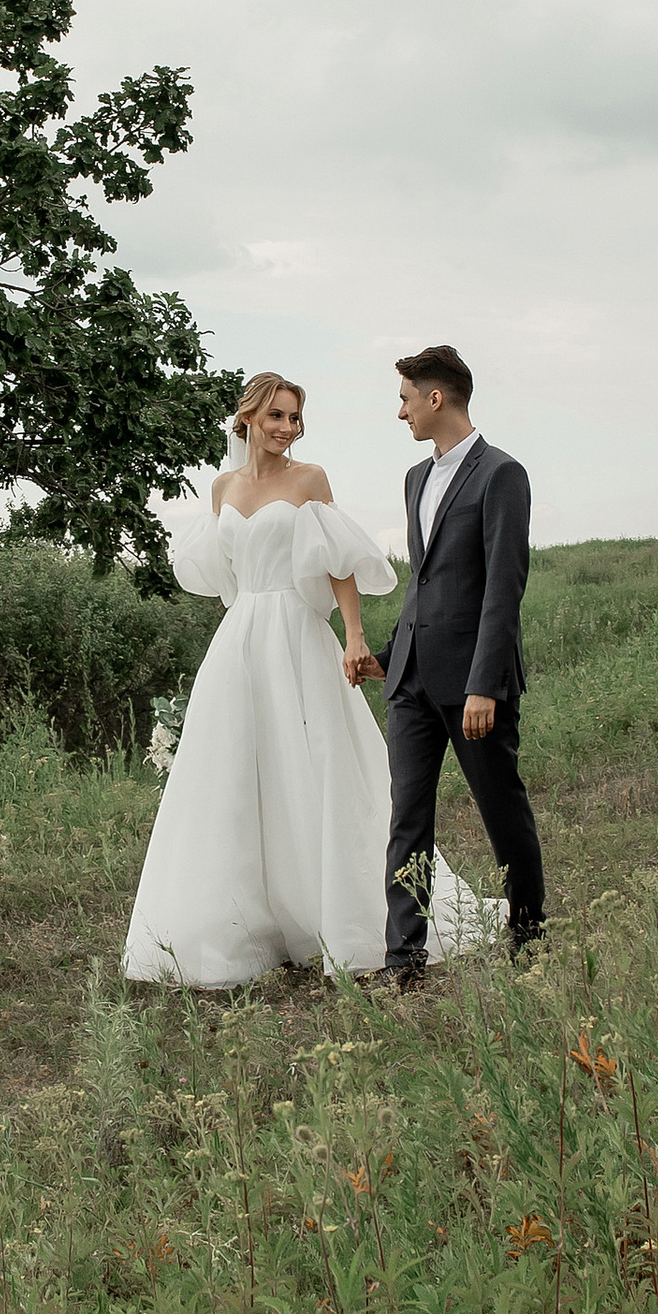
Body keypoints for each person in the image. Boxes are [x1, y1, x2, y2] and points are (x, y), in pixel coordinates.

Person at [122, 373, 496, 987]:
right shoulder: (222, 488)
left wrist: (353, 636)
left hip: (298, 635)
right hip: (241, 642)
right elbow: (225, 576)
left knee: (317, 768)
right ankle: (238, 926)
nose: (287, 428)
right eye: (276, 416)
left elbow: (339, 565)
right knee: (237, 775)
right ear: (247, 417)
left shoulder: (310, 480)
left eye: (294, 418)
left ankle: (338, 913)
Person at [342, 344, 545, 982]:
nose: (399, 412)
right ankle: (404, 960)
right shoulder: (414, 479)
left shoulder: (501, 474)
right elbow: (425, 585)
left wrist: (485, 684)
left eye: (405, 398)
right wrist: (386, 656)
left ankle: (530, 941)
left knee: (501, 809)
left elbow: (501, 589)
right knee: (408, 816)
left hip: (473, 686)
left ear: (436, 398)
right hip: (411, 683)